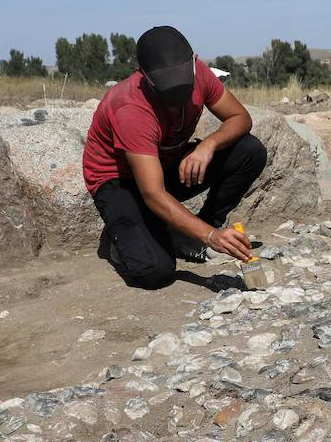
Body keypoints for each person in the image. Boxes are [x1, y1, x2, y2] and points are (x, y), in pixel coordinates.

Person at [84, 25, 266, 289]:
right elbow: (153, 194)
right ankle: (121, 237)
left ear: (193, 63)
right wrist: (212, 238)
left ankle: (195, 230)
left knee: (249, 151)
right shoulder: (131, 108)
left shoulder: (199, 71)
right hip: (122, 183)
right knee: (155, 273)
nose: (178, 98)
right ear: (144, 76)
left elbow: (240, 118)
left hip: (164, 165)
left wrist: (209, 145)